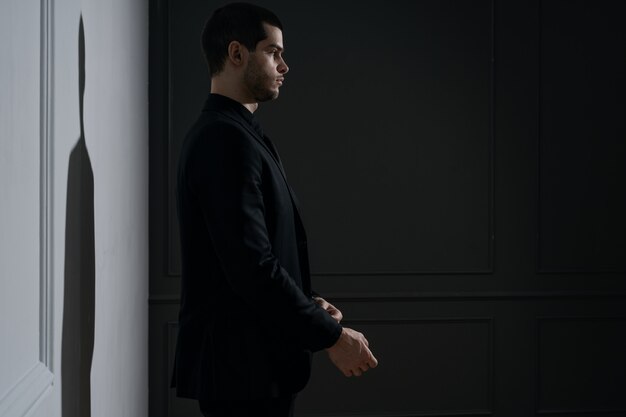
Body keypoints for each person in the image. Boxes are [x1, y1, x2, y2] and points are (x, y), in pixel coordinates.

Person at [171, 3, 378, 416]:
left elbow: (258, 252)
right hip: (241, 374)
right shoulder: (223, 140)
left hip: (255, 369)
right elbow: (250, 266)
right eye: (273, 52)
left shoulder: (241, 134)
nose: (284, 65)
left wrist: (309, 301)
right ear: (236, 54)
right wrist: (332, 337)